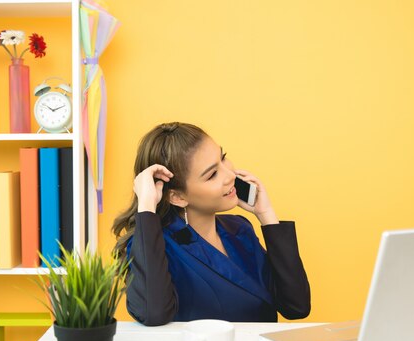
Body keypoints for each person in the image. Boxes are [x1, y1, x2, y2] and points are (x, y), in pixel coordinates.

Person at [112, 122, 311, 326]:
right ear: (177, 197)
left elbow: (296, 307)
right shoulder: (155, 246)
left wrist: (267, 215)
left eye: (223, 158)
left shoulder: (239, 228)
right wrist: (146, 205)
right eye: (212, 174)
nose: (230, 175)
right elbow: (153, 314)